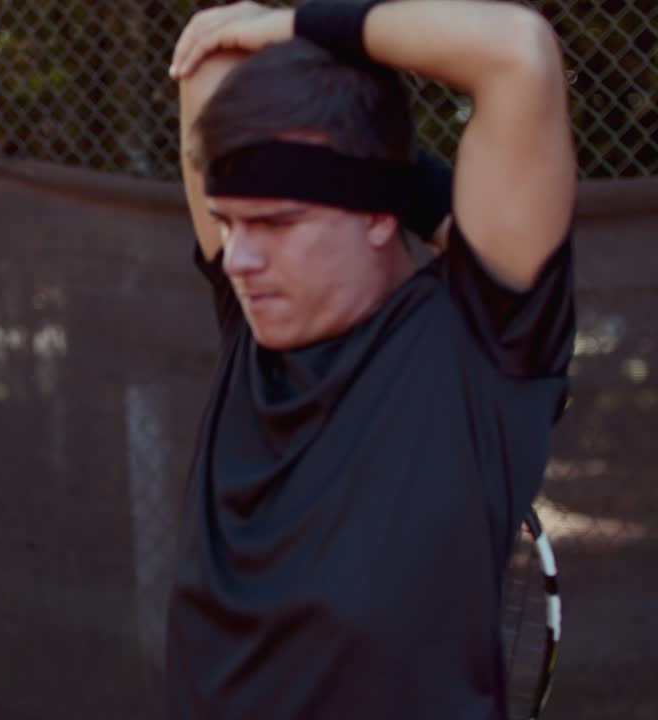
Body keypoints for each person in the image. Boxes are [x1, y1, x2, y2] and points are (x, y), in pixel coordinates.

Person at [165, 1, 575, 718]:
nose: (237, 257)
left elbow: (516, 50)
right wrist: (369, 168)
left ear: (380, 215)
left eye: (276, 222)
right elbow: (210, 60)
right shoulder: (252, 329)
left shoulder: (480, 348)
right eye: (228, 221)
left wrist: (290, 24)